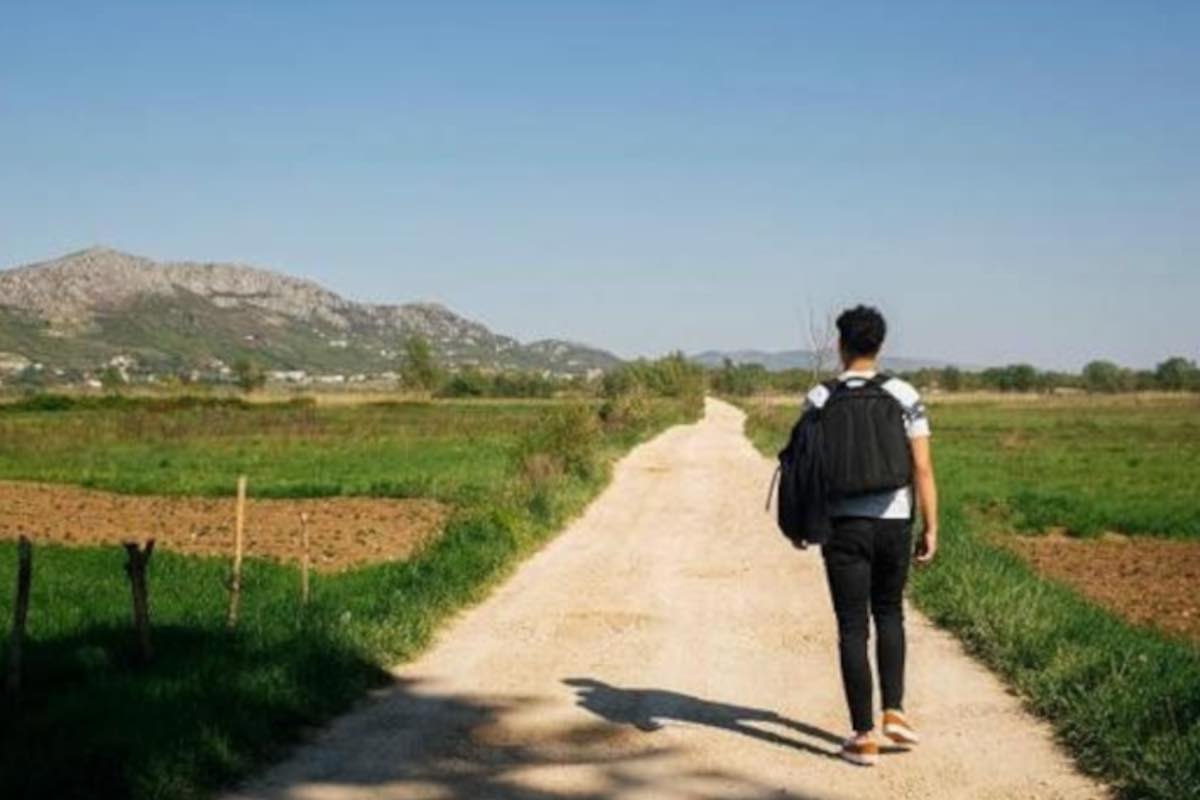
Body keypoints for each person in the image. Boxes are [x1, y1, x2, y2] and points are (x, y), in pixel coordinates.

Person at [801, 305, 939, 767]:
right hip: (895, 522)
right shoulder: (904, 394)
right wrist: (931, 526)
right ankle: (895, 711)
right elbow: (921, 467)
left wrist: (804, 524)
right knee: (890, 613)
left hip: (842, 527)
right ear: (879, 345)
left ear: (841, 345)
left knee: (851, 626)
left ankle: (862, 736)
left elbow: (806, 468)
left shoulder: (820, 397)